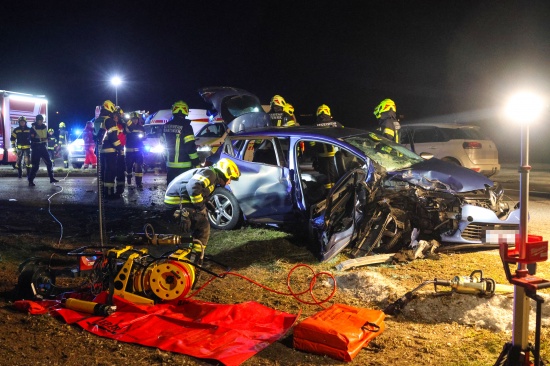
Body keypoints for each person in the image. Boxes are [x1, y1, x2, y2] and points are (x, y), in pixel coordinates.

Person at [166, 158, 240, 249]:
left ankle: (194, 253)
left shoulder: (212, 175)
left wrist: (207, 204)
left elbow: (201, 192)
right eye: (230, 178)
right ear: (225, 173)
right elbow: (192, 186)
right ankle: (196, 257)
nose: (229, 181)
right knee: (203, 226)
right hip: (178, 202)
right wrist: (200, 207)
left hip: (181, 201)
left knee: (198, 226)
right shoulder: (210, 174)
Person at [162, 100, 200, 185]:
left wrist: (165, 159)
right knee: (183, 192)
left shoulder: (165, 126)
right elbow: (190, 147)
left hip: (170, 166)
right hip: (184, 167)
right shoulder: (186, 126)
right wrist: (196, 163)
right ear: (186, 111)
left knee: (171, 191)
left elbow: (162, 145)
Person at [308, 104, 344, 189]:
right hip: (335, 153)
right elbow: (344, 134)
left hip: (322, 154)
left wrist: (313, 153)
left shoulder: (315, 126)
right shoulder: (336, 123)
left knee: (326, 175)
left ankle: (328, 193)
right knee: (336, 172)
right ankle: (336, 190)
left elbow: (311, 142)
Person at [97, 100, 121, 199]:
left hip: (101, 151)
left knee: (103, 171)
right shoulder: (109, 120)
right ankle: (109, 194)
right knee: (110, 172)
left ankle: (102, 192)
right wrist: (119, 148)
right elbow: (113, 137)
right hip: (110, 150)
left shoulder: (98, 120)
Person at [28, 114, 58, 186]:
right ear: (37, 120)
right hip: (36, 148)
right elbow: (31, 138)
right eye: (40, 120)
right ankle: (30, 180)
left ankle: (51, 178)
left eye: (42, 120)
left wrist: (48, 138)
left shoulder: (44, 127)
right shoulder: (33, 128)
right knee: (35, 166)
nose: (41, 121)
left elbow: (47, 135)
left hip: (43, 147)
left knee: (49, 163)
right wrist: (40, 139)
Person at [125, 112, 145, 188]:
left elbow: (144, 136)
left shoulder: (141, 127)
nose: (135, 120)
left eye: (136, 119)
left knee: (139, 167)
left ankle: (139, 183)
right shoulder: (127, 127)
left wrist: (142, 137)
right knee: (129, 167)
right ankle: (129, 180)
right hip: (129, 150)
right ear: (131, 119)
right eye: (133, 119)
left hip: (138, 151)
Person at [114, 107, 127, 196]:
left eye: (118, 116)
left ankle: (120, 189)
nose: (116, 117)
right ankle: (109, 190)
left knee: (120, 170)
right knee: (111, 171)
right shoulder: (110, 124)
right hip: (112, 149)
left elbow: (128, 129)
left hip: (121, 149)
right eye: (115, 116)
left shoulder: (123, 124)